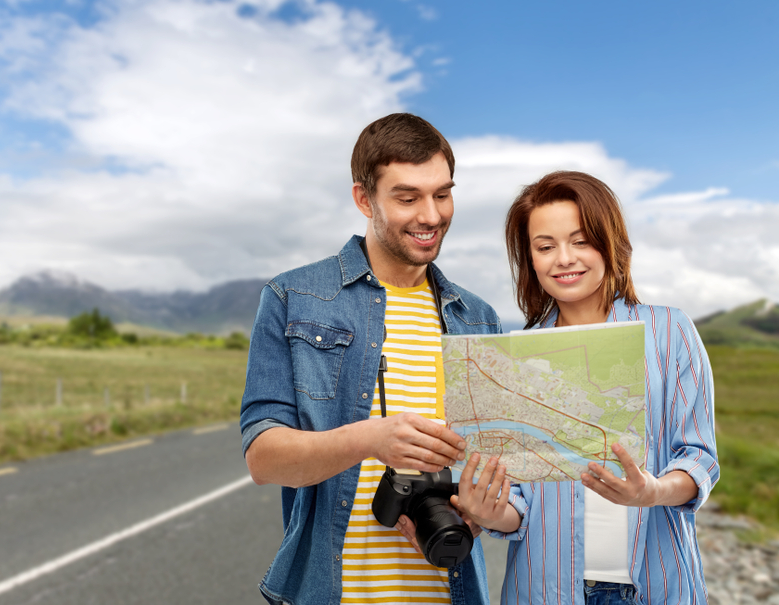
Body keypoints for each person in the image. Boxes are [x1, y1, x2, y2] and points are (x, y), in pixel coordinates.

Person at [240, 113, 502, 605]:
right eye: (407, 198)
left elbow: (493, 466)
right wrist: (371, 439)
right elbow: (262, 457)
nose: (430, 215)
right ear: (364, 198)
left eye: (442, 194)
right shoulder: (292, 297)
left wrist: (480, 511)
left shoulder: (480, 320)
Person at [461, 170, 718, 604]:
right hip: (544, 591)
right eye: (546, 247)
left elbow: (699, 458)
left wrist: (651, 491)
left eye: (580, 241)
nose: (564, 258)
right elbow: (517, 505)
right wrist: (489, 512)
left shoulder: (670, 331)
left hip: (656, 587)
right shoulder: (516, 356)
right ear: (531, 259)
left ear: (609, 242)